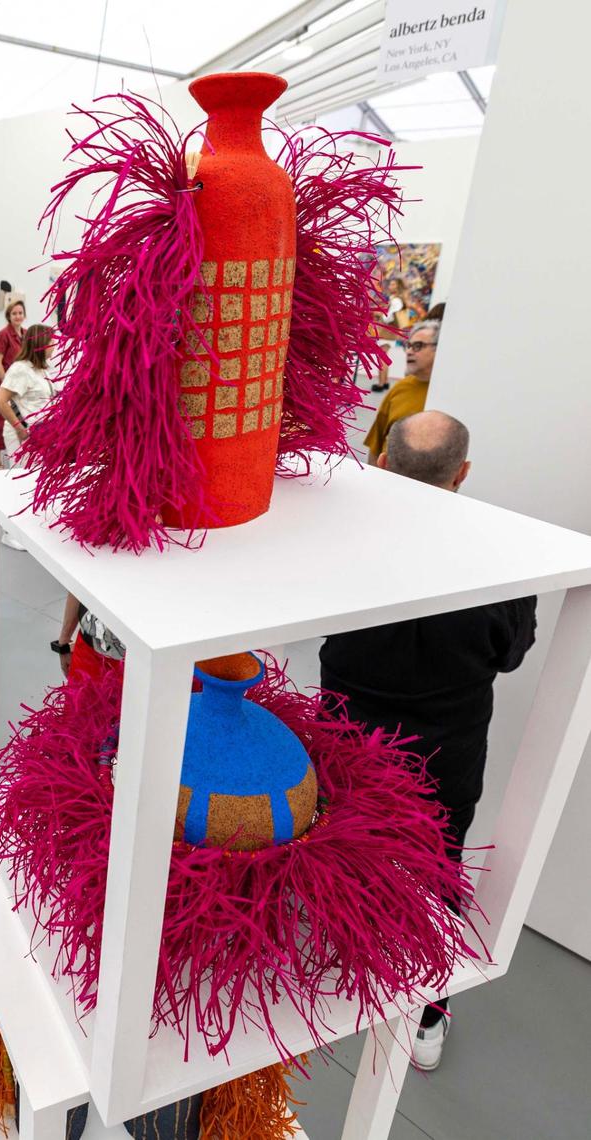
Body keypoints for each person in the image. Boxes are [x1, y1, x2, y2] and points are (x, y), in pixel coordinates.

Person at [320, 411, 537, 1071]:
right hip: (448, 745)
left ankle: (338, 962)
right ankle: (426, 1012)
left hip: (347, 730)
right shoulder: (500, 553)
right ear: (463, 473)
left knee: (337, 834)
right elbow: (511, 653)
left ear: (383, 463)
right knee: (439, 867)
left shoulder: (338, 538)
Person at [0, 323, 56, 550]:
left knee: (33, 480)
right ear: (40, 344)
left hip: (39, 436)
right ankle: (9, 531)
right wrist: (20, 428)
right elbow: (1, 401)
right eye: (51, 342)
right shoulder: (20, 369)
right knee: (20, 480)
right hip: (22, 436)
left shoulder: (42, 369)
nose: (54, 346)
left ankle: (25, 527)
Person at [363, 318, 440, 463]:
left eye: (418, 346)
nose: (409, 351)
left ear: (439, 348)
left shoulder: (450, 393)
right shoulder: (399, 388)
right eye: (408, 346)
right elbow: (376, 445)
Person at [0, 298, 26, 470]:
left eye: (20, 313)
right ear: (8, 316)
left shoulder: (26, 334)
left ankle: (17, 455)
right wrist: (6, 382)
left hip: (21, 387)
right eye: (14, 313)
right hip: (6, 385)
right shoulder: (3, 335)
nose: (18, 316)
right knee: (2, 422)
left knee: (19, 420)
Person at [372, 278, 410, 393]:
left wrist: (379, 315)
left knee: (382, 358)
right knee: (384, 357)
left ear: (398, 287)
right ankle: (385, 382)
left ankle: (381, 383)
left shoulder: (396, 300)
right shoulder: (397, 300)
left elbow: (389, 318)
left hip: (387, 332)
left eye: (393, 284)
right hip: (391, 332)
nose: (390, 286)